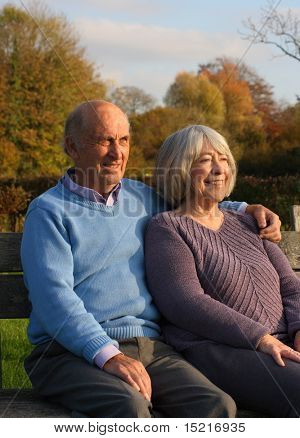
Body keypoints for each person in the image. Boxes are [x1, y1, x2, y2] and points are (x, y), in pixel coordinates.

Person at [21, 101, 280, 418]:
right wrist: (108, 356)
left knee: (216, 407)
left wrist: (245, 209)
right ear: (72, 147)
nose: (117, 153)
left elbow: (197, 202)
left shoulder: (142, 197)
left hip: (151, 348)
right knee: (130, 408)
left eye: (124, 140)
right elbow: (53, 297)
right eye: (104, 140)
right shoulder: (48, 212)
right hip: (68, 353)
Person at [145, 124, 300, 418]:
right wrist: (262, 338)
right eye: (204, 161)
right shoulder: (168, 227)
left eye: (224, 159)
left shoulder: (247, 223)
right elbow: (185, 302)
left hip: (279, 343)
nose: (218, 169)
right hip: (219, 350)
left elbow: (290, 284)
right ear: (179, 169)